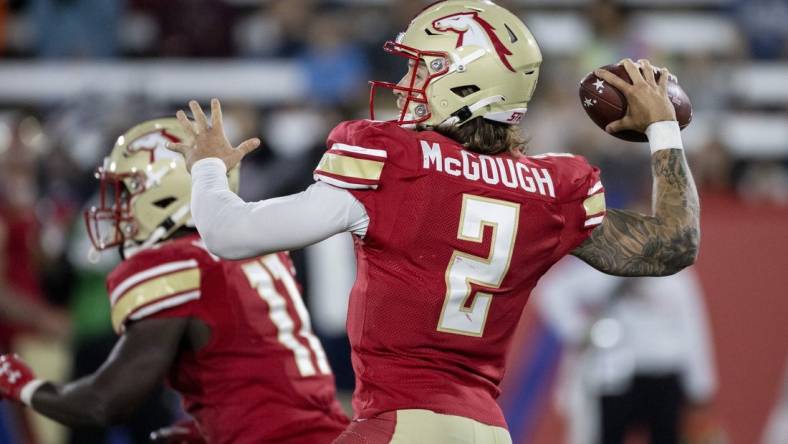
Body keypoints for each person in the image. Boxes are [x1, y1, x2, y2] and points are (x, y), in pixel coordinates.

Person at [168, 1, 700, 442]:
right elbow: (675, 243)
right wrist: (663, 130)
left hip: (400, 424)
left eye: (421, 68)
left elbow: (227, 233)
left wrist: (209, 167)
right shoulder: (553, 191)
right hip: (489, 430)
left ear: (463, 82)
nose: (404, 84)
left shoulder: (392, 161)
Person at [0, 118, 349, 444]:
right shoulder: (253, 252)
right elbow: (255, 371)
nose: (119, 209)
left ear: (167, 194)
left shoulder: (178, 262)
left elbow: (104, 402)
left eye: (127, 192)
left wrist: (22, 384)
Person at [536, 258, 717, 444]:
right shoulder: (602, 264)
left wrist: (700, 387)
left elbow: (692, 326)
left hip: (664, 372)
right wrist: (580, 331)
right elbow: (553, 292)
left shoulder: (675, 270)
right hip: (614, 374)